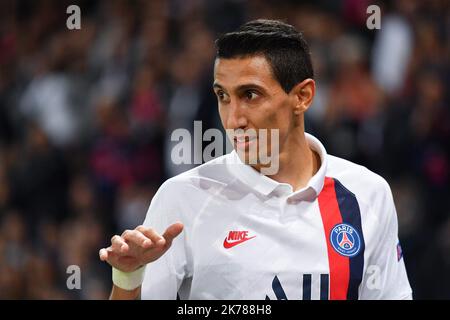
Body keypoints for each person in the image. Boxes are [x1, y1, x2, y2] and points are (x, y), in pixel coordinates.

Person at [99, 19, 412, 300]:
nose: (233, 119)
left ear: (303, 97)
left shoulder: (367, 194)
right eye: (223, 96)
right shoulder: (182, 199)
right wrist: (127, 279)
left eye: (250, 95)